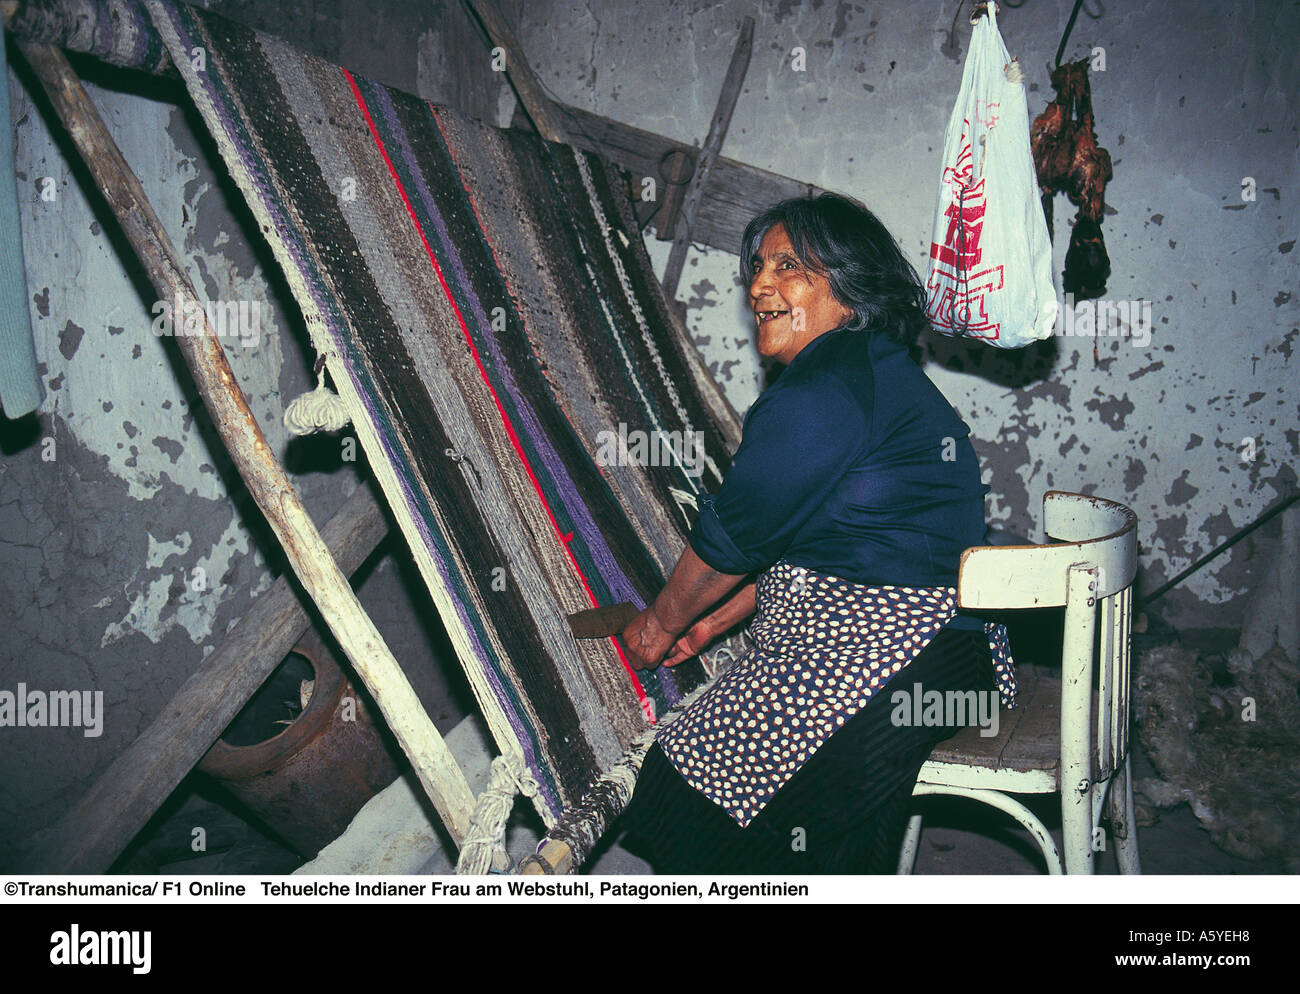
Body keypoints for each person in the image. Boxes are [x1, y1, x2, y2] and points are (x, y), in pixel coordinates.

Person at [618, 193, 1016, 874]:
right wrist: (712, 627)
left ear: (850, 293)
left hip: (893, 658)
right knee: (835, 823)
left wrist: (657, 628)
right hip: (952, 657)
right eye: (758, 267)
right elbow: (811, 543)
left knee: (683, 780)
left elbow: (734, 539)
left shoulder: (821, 391)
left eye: (789, 267)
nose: (759, 285)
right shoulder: (871, 373)